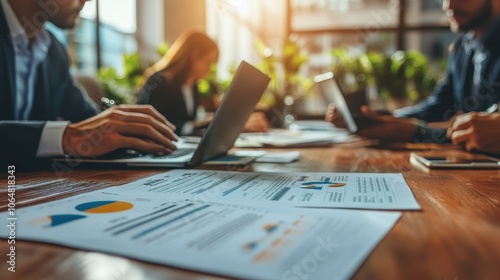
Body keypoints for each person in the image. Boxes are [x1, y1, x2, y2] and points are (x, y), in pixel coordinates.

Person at [0, 0, 177, 167]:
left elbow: (87, 118)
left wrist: (128, 129)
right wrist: (66, 137)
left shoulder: (53, 51)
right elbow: (76, 134)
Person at [327, 0, 500, 147]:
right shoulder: (462, 47)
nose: (448, 5)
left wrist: (416, 132)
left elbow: (488, 131)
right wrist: (377, 118)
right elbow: (439, 106)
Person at [137, 29, 269, 135]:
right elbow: (157, 124)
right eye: (208, 62)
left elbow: (187, 122)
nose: (210, 69)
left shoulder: (192, 86)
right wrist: (209, 122)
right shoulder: (159, 82)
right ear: (194, 56)